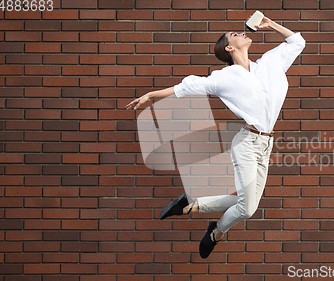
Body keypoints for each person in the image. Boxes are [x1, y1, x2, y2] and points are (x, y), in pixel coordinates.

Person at [126, 15, 305, 259]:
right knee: (247, 208)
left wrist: (271, 24)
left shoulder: (269, 64)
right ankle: (215, 233)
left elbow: (297, 42)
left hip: (266, 143)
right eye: (235, 34)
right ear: (230, 48)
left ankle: (190, 203)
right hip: (247, 143)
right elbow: (185, 88)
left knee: (246, 204)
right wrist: (151, 95)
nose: (241, 33)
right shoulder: (224, 78)